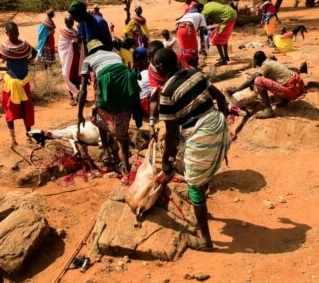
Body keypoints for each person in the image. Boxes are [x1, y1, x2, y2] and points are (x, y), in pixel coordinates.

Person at [156, 48, 230, 251]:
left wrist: (165, 160)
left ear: (161, 67)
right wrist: (221, 120)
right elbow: (221, 98)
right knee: (200, 171)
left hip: (202, 134)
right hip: (217, 125)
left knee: (194, 185)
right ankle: (202, 204)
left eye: (154, 64)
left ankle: (206, 241)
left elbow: (171, 133)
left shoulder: (167, 93)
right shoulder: (194, 74)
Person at [77, 39, 141, 173]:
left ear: (90, 50)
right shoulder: (115, 54)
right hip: (126, 81)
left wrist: (80, 114)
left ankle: (106, 149)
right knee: (123, 113)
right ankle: (126, 165)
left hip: (108, 81)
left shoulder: (88, 60)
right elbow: (120, 73)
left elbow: (82, 90)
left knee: (99, 112)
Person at [0, 21, 38, 148]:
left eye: (16, 33)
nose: (14, 35)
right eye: (12, 33)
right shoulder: (4, 48)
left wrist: (29, 60)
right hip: (11, 84)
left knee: (27, 110)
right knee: (10, 111)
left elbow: (35, 52)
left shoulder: (24, 45)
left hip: (24, 82)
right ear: (6, 33)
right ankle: (13, 139)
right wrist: (4, 70)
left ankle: (28, 136)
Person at [233, 51, 306, 119]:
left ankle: (269, 110)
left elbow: (251, 79)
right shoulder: (270, 61)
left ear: (257, 61)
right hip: (297, 87)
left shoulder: (266, 65)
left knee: (258, 81)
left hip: (292, 90)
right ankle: (285, 100)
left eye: (254, 61)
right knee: (264, 77)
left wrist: (236, 90)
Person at [57, 14, 84, 105]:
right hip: (68, 56)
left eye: (73, 21)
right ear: (66, 22)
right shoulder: (64, 31)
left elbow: (79, 41)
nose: (72, 23)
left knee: (77, 76)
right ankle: (71, 97)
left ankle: (78, 95)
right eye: (70, 21)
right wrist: (78, 35)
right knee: (69, 76)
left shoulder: (73, 31)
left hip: (75, 56)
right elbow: (64, 45)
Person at [201, 1, 237, 66]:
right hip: (232, 14)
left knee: (217, 39)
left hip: (227, 17)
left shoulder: (204, 12)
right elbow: (215, 21)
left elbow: (202, 25)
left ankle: (223, 60)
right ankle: (226, 56)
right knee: (224, 36)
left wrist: (206, 28)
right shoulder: (208, 5)